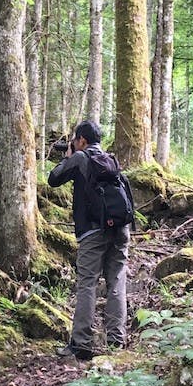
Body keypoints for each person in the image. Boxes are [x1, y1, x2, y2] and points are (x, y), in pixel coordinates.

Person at [48, 120, 131, 360]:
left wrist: (70, 156)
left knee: (87, 283)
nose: (73, 144)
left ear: (82, 140)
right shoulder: (110, 159)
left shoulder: (82, 157)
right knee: (116, 282)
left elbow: (53, 179)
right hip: (121, 230)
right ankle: (116, 340)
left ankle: (81, 343)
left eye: (75, 140)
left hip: (93, 232)